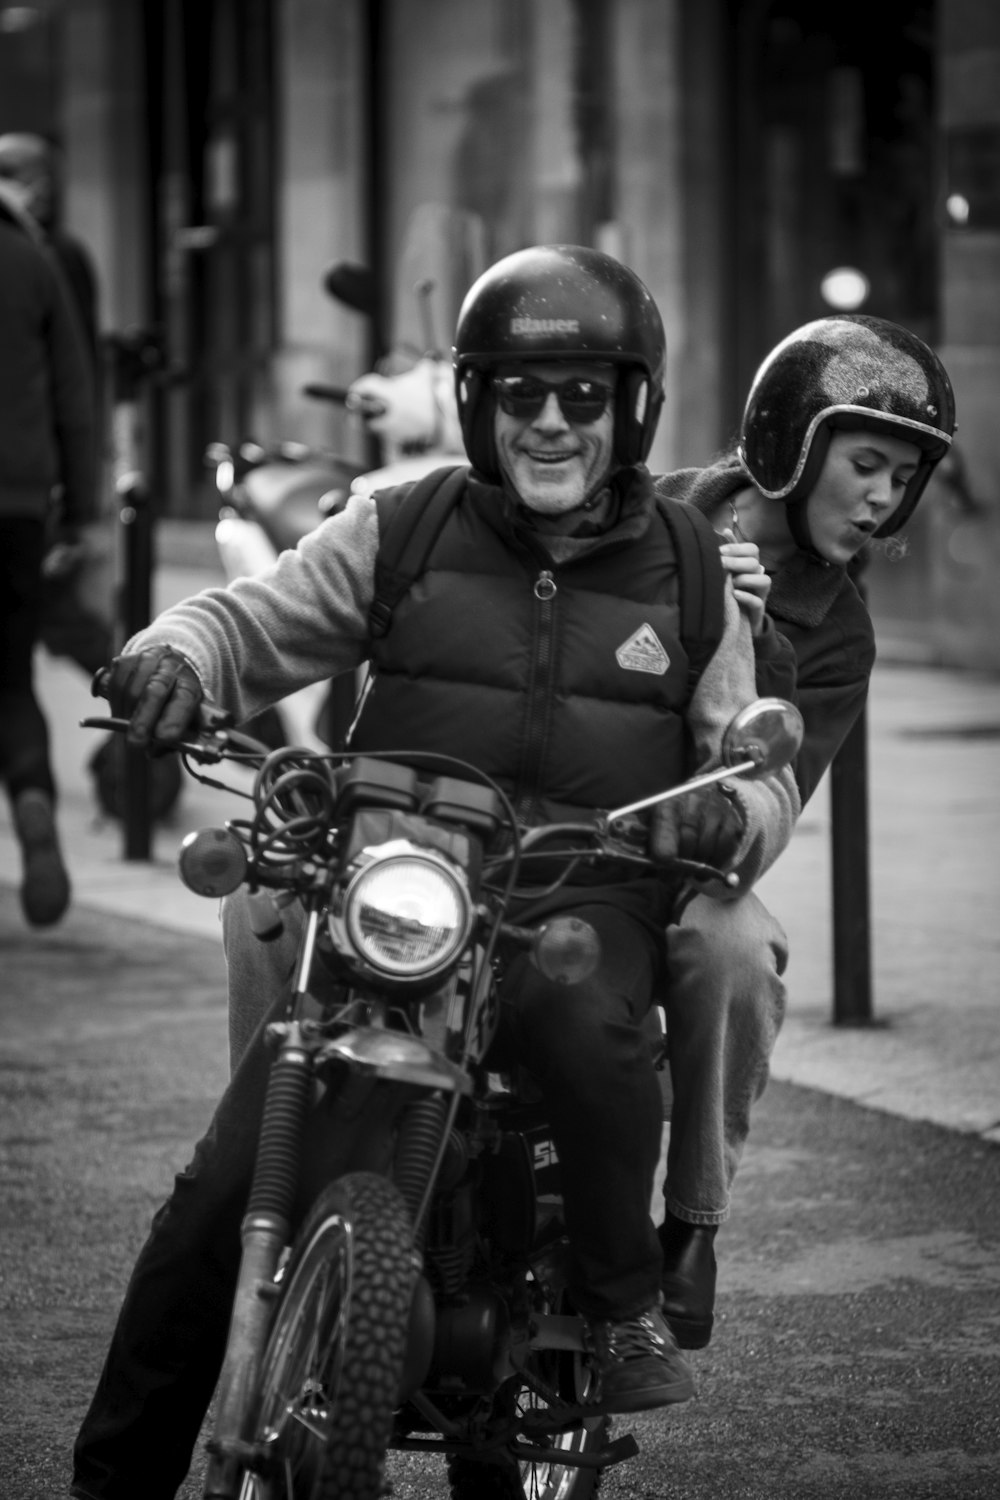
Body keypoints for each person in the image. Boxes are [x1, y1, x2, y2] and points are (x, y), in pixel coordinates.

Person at [71, 244, 800, 1500]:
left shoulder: (691, 573)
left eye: (582, 394)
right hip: (394, 888)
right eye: (520, 392)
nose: (552, 421)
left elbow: (752, 756)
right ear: (477, 402)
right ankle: (112, 1481)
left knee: (579, 992)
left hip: (582, 894)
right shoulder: (398, 525)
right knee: (213, 1199)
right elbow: (252, 616)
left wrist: (733, 815)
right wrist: (174, 655)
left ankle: (621, 1300)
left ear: (631, 408)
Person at [648, 313, 956, 1352]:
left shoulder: (842, 633)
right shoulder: (646, 514)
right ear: (792, 440)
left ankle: (690, 1224)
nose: (882, 497)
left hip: (681, 853)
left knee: (736, 946)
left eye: (901, 480)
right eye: (866, 464)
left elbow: (772, 801)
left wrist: (757, 641)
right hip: (549, 817)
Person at [0, 156, 97, 928]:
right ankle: (33, 802)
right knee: (10, 677)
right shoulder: (31, 259)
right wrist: (82, 507)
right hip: (17, 508)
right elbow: (75, 390)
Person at [0, 132, 112, 676]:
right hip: (31, 488)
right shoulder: (40, 255)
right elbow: (76, 382)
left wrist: (81, 507)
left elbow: (75, 381)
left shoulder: (52, 256)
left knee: (71, 622)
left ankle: (148, 743)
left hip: (39, 488)